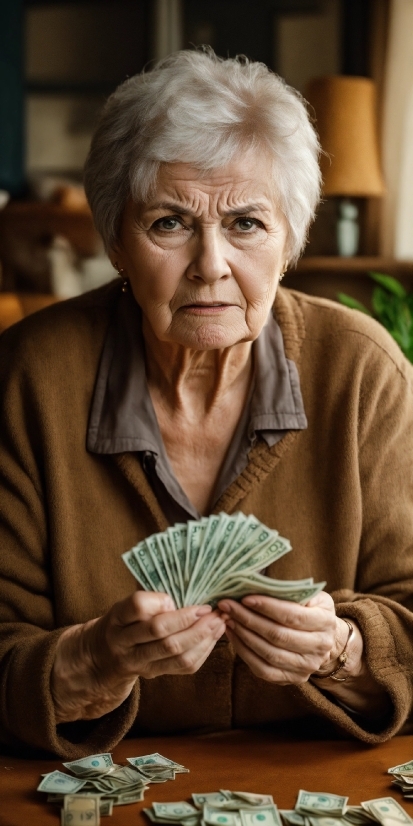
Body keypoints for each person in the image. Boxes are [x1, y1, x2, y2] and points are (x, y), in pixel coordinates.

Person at [1, 49, 413, 760]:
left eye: (247, 223)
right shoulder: (29, 377)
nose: (211, 265)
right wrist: (86, 664)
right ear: (116, 241)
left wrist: (345, 648)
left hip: (313, 779)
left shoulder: (361, 371)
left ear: (290, 240)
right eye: (169, 222)